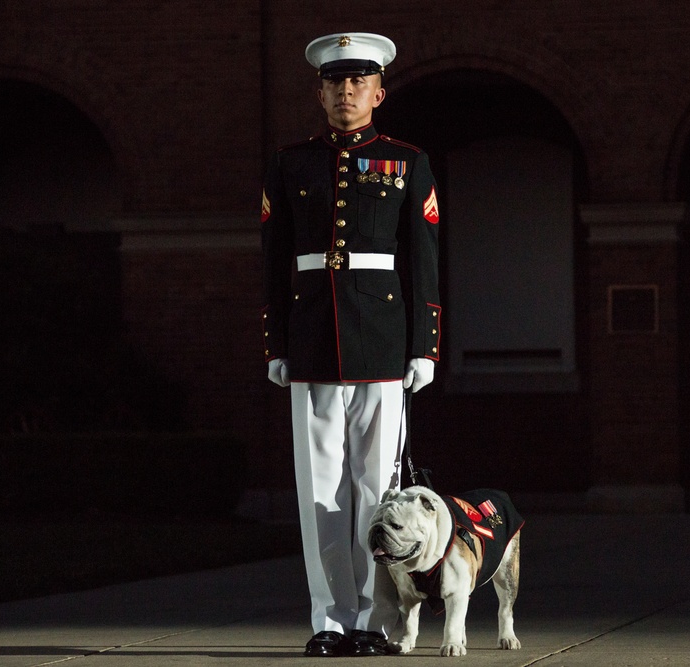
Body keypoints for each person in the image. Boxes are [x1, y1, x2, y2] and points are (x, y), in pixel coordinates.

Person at [259, 32, 442, 657]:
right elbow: (273, 260)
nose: (346, 92)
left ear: (378, 92)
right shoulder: (290, 163)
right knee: (319, 493)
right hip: (311, 343)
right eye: (335, 83)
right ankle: (330, 622)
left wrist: (425, 347)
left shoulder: (406, 161)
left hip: (383, 345)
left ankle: (375, 621)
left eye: (358, 82)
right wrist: (276, 343)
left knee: (376, 492)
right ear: (320, 92)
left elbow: (422, 261)